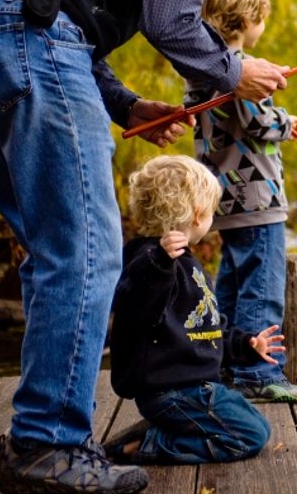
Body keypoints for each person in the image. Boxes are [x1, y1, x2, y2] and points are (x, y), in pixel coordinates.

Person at [0, 0, 289, 494]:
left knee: (55, 250)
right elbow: (170, 20)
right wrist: (234, 70)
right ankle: (50, 445)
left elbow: (65, 18)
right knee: (87, 252)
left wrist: (126, 107)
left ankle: (44, 436)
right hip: (29, 37)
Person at [104, 155, 278, 464]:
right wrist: (159, 264)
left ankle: (153, 433)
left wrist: (246, 344)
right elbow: (135, 307)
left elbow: (207, 326)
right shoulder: (147, 262)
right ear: (198, 215)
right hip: (170, 391)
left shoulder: (188, 263)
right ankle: (147, 446)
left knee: (258, 423)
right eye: (212, 211)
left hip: (195, 388)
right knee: (250, 436)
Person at [186, 0, 297, 402]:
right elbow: (257, 121)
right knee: (262, 285)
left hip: (224, 197)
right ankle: (258, 370)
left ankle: (224, 362)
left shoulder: (202, 72)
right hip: (257, 197)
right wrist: (286, 123)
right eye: (262, 20)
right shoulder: (242, 72)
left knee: (232, 284)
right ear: (248, 19)